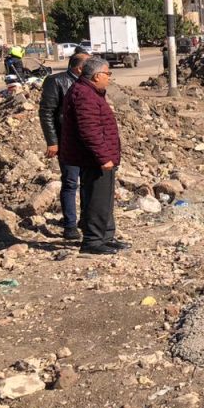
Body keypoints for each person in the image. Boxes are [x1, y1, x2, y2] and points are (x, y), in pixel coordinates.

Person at [59, 57, 130, 255]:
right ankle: (92, 240)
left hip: (99, 157)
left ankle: (106, 237)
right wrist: (103, 157)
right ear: (97, 76)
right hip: (93, 159)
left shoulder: (90, 92)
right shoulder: (84, 95)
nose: (109, 78)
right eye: (108, 74)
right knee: (96, 199)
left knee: (105, 199)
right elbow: (89, 130)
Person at [38, 51, 90, 241]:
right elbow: (47, 112)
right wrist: (53, 141)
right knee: (70, 182)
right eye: (89, 64)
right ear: (79, 68)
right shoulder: (56, 81)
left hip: (86, 141)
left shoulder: (88, 83)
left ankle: (86, 221)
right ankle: (70, 226)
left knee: (87, 183)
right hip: (67, 141)